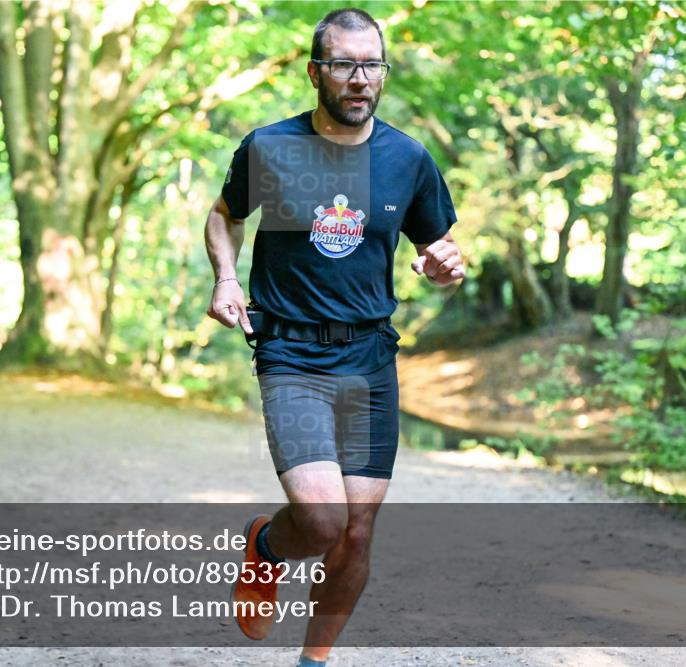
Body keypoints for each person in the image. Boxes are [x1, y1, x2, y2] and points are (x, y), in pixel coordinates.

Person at [204, 8, 465, 666]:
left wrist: (445, 266)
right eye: (344, 65)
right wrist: (227, 278)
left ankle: (313, 660)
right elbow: (223, 216)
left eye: (371, 65)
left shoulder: (408, 158)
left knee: (357, 530)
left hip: (370, 355)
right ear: (316, 72)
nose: (359, 79)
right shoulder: (270, 147)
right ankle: (265, 546)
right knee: (321, 521)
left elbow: (439, 246)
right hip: (291, 351)